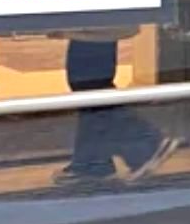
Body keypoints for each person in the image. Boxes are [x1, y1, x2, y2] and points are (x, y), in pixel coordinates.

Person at [61, 25, 181, 182]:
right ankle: (92, 161)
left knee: (88, 82)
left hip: (95, 17)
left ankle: (144, 143)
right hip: (95, 19)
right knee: (89, 81)